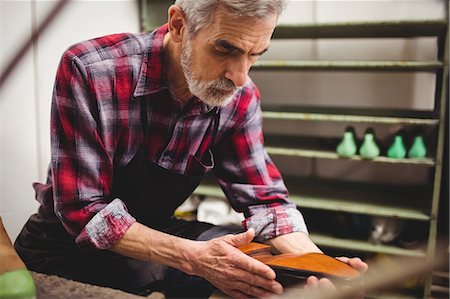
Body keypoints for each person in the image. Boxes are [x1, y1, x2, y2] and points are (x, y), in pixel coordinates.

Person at [15, 0, 367, 298]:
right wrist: (195, 258)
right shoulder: (92, 70)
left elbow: (266, 202)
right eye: (224, 49)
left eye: (255, 54)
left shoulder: (239, 98)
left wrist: (318, 265)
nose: (240, 75)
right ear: (179, 24)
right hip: (63, 248)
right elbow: (83, 211)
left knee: (263, 269)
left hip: (155, 235)